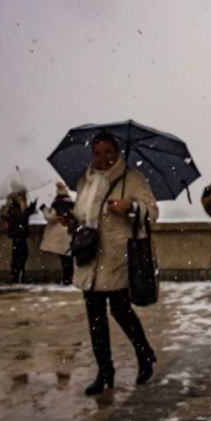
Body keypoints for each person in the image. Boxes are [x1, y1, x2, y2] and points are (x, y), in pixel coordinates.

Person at [70, 132, 158, 396]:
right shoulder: (84, 182)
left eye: (108, 152)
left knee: (121, 311)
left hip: (116, 256)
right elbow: (82, 215)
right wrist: (72, 222)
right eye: (97, 152)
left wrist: (129, 206)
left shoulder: (132, 179)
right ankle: (104, 371)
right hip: (88, 258)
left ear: (117, 152)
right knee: (95, 319)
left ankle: (144, 355)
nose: (103, 158)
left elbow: (151, 212)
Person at [0, 183, 37, 283]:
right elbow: (20, 218)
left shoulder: (14, 204)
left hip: (18, 234)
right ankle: (17, 277)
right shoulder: (15, 205)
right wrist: (29, 211)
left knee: (19, 256)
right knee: (20, 256)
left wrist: (30, 210)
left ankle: (17, 276)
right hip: (19, 234)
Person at [39, 181, 74, 285]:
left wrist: (44, 209)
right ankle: (69, 277)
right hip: (68, 232)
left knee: (64, 258)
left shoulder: (57, 204)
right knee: (68, 257)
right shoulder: (71, 204)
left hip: (59, 234)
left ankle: (67, 278)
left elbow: (50, 218)